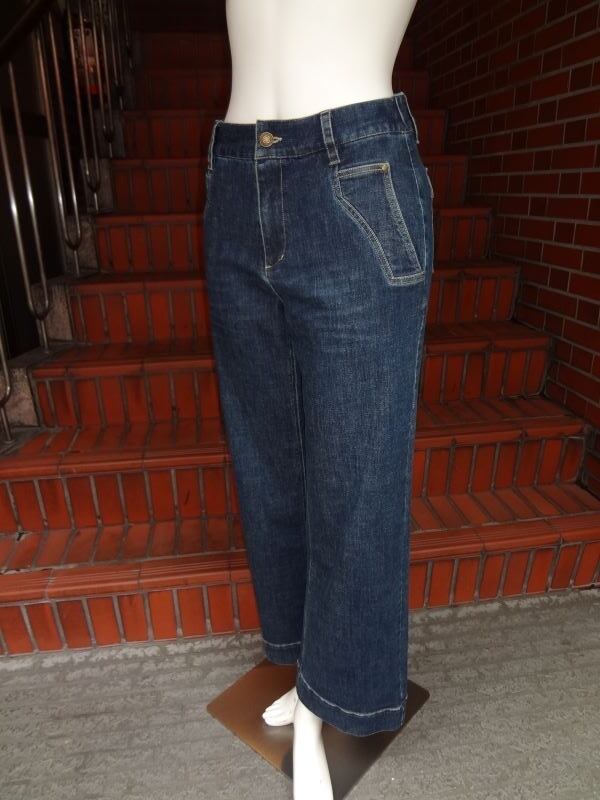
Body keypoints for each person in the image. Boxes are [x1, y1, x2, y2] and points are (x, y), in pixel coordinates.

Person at [203, 1, 431, 796]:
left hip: (355, 172)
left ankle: (332, 703)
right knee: (268, 465)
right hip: (235, 173)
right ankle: (308, 672)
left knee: (356, 476)